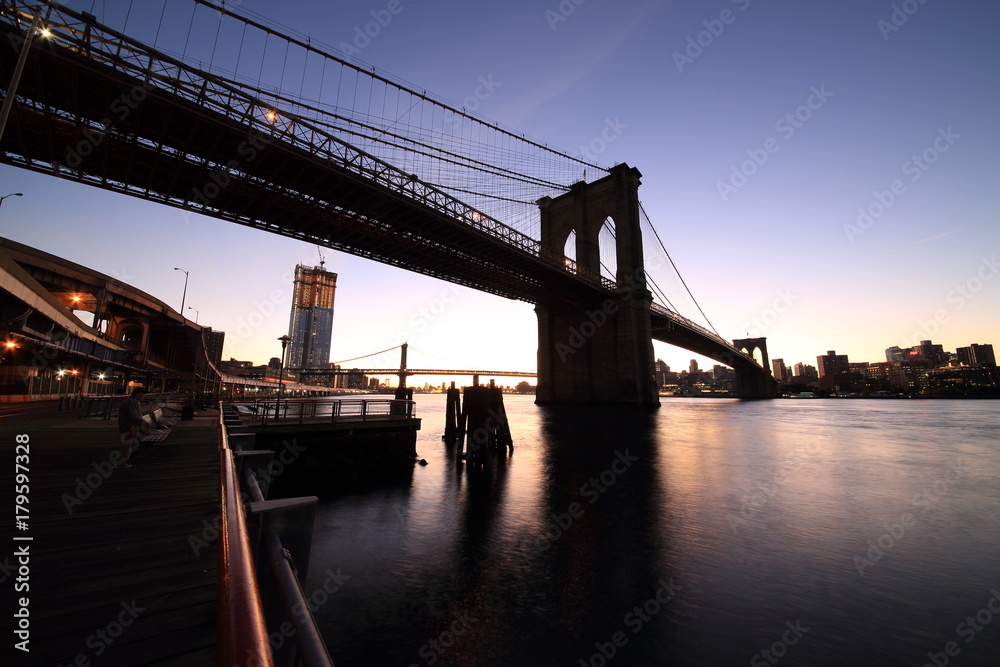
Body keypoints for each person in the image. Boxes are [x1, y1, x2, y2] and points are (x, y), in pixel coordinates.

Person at [116, 387, 147, 469]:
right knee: (127, 444)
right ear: (138, 394)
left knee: (127, 444)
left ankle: (121, 461)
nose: (144, 396)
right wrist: (143, 422)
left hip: (128, 425)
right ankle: (121, 462)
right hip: (129, 425)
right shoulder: (132, 402)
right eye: (143, 394)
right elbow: (133, 415)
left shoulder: (132, 401)